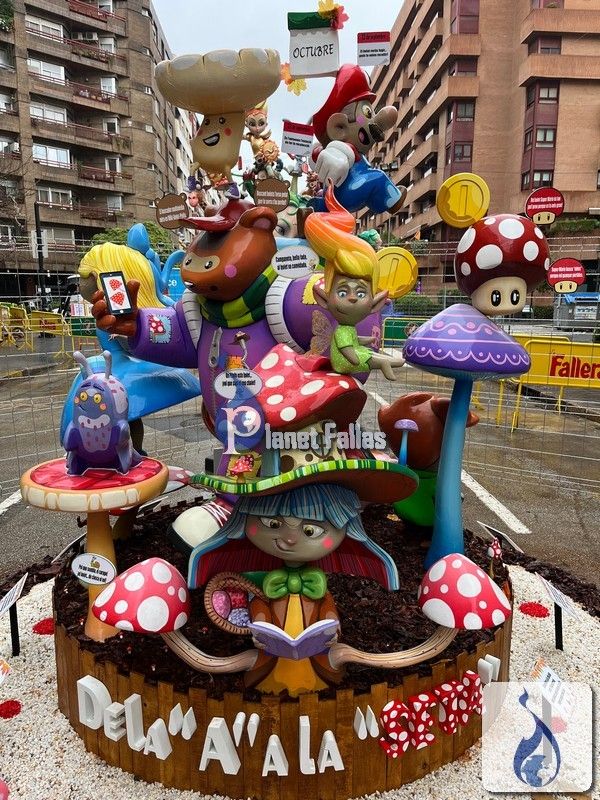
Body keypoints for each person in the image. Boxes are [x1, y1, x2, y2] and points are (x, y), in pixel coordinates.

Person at [305, 183, 405, 380]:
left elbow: (352, 340)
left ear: (375, 303)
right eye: (342, 292)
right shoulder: (342, 331)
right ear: (324, 299)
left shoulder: (346, 329)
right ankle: (384, 362)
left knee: (368, 353)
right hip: (344, 362)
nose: (352, 298)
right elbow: (347, 350)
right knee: (368, 356)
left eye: (360, 293)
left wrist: (364, 341)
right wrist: (354, 356)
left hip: (348, 358)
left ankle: (386, 361)